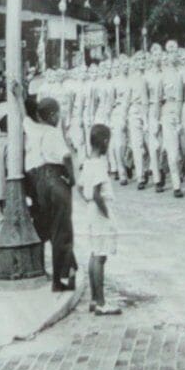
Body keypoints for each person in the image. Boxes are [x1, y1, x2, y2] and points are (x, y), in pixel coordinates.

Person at [20, 93, 76, 296]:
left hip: (39, 180)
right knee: (63, 230)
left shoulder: (32, 127)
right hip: (55, 178)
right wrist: (72, 178)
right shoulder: (52, 132)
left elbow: (23, 115)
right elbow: (66, 156)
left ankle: (67, 271)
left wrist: (18, 95)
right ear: (52, 115)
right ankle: (60, 279)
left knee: (52, 228)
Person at [77, 120, 121, 315]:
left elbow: (80, 187)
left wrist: (89, 203)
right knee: (101, 257)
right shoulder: (99, 165)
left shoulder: (87, 163)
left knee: (95, 255)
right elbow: (96, 192)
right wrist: (105, 213)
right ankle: (101, 302)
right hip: (100, 211)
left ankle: (95, 299)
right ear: (104, 142)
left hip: (91, 211)